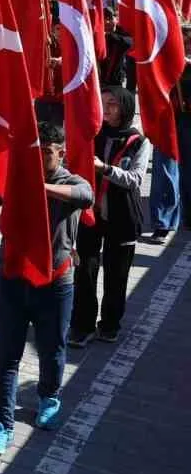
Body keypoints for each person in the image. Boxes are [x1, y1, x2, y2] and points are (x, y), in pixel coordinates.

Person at [0, 122, 93, 456]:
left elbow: (86, 196)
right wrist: (1, 217)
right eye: (34, 155)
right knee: (7, 354)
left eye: (48, 154)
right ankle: (1, 423)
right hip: (12, 279)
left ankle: (49, 397)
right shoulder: (12, 179)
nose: (40, 161)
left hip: (55, 282)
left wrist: (39, 189)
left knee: (52, 348)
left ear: (62, 152)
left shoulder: (71, 182)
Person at [70, 86, 149, 346]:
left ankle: (110, 324)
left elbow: (135, 179)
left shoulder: (138, 140)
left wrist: (104, 169)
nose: (107, 109)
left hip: (122, 215)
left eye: (113, 103)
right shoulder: (92, 133)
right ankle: (83, 324)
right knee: (85, 271)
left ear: (125, 107)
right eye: (102, 103)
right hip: (91, 214)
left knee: (116, 274)